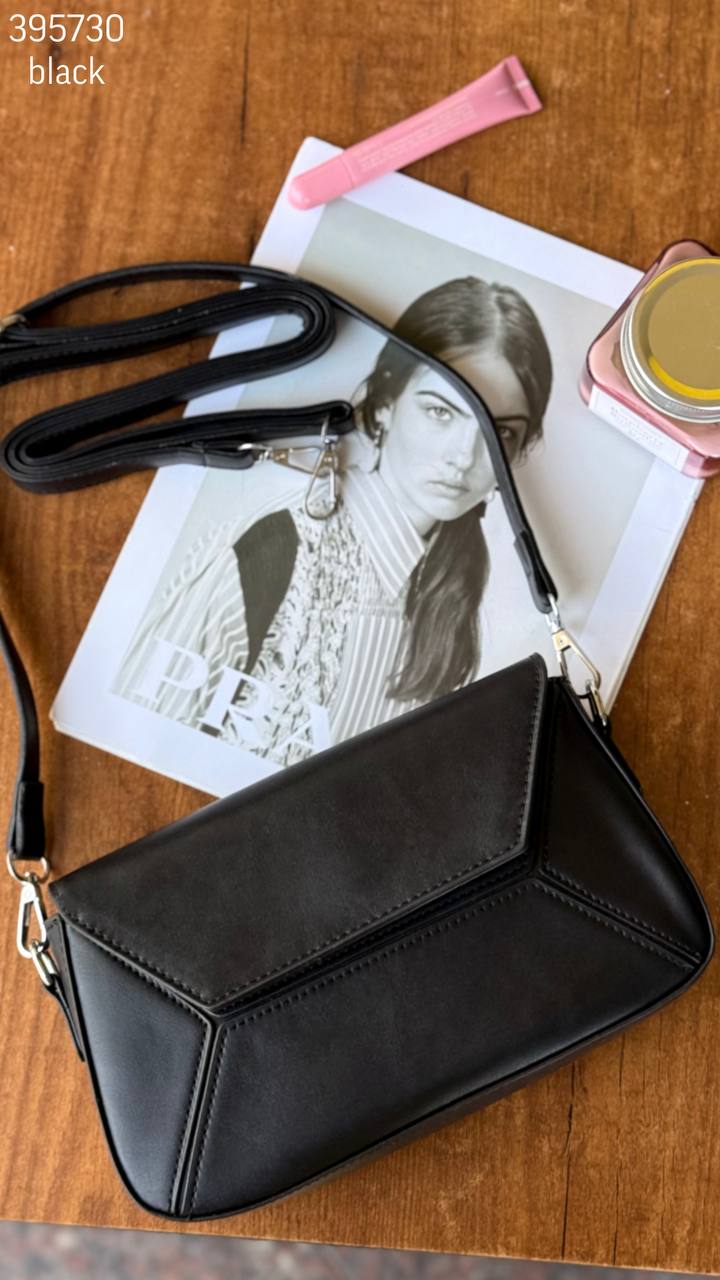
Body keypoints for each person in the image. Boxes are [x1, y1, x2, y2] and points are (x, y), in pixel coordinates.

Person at [115, 276, 552, 767]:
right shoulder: (275, 546)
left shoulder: (449, 587)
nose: (465, 455)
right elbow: (136, 733)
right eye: (440, 412)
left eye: (499, 433)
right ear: (383, 407)